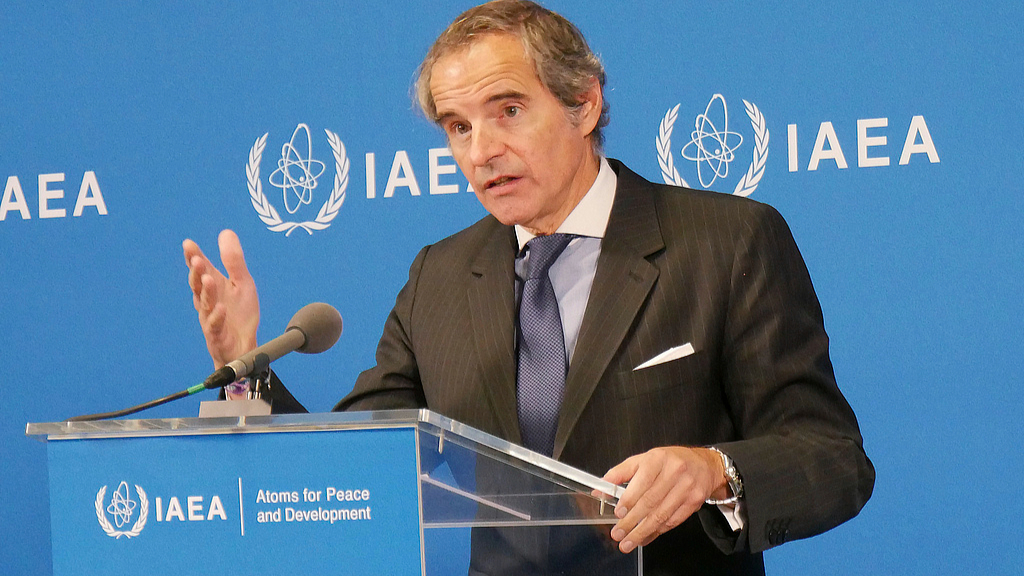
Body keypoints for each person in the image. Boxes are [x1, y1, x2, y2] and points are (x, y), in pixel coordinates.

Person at [184, 1, 874, 574]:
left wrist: (712, 468)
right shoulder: (439, 277)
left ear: (583, 103)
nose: (480, 151)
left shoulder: (727, 242)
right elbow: (357, 469)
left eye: (508, 110)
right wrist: (246, 370)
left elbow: (832, 457)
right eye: (458, 127)